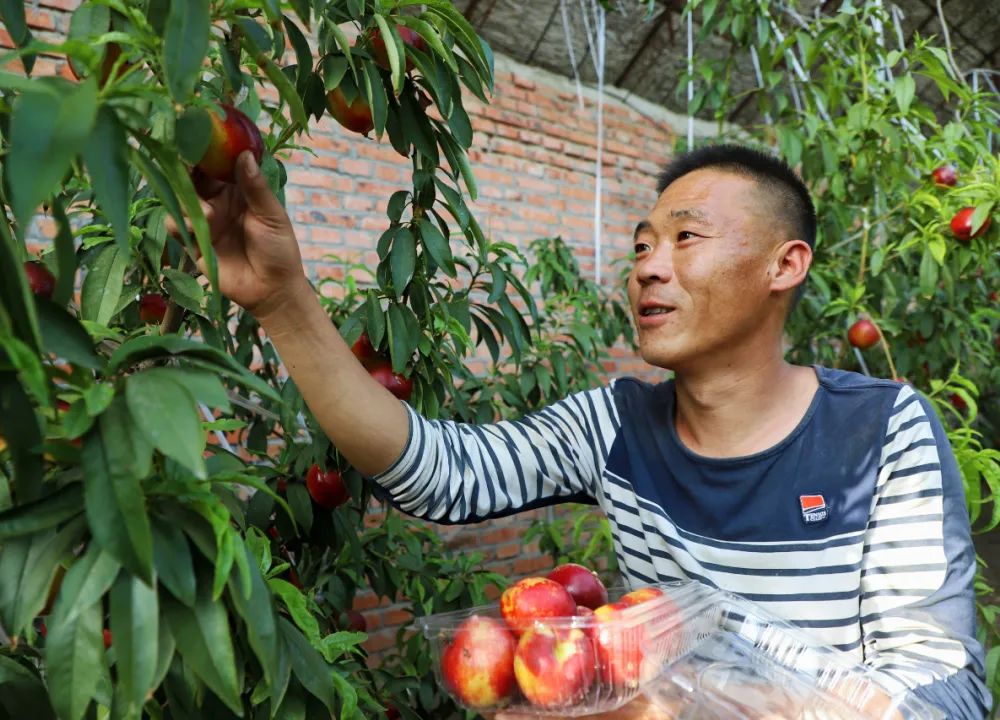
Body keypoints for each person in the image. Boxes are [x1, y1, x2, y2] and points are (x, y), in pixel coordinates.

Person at [174, 143, 991, 720]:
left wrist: (676, 701)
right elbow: (442, 472)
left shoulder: (882, 432)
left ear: (785, 265)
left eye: (685, 238)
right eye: (641, 244)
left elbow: (941, 699)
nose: (645, 265)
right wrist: (282, 303)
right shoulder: (614, 426)